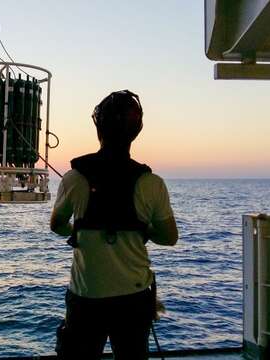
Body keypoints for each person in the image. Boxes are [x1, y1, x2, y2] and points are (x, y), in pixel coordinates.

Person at [50, 90, 178, 359]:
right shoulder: (152, 183)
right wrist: (143, 228)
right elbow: (169, 237)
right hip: (133, 299)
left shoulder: (74, 178)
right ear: (136, 130)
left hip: (86, 296)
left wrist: (75, 231)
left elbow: (57, 224)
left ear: (99, 127)